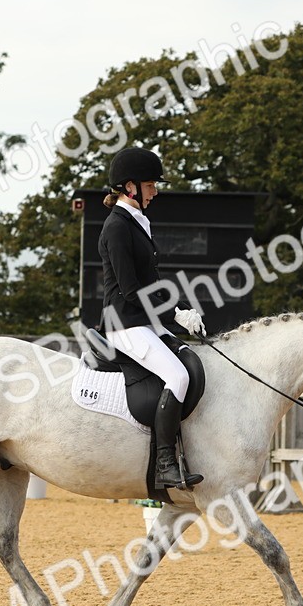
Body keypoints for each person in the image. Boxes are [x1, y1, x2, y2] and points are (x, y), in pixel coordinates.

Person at [97, 146, 205, 490]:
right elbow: (131, 290)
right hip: (124, 323)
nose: (155, 191)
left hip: (143, 320)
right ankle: (164, 463)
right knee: (177, 376)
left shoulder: (136, 221)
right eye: (150, 185)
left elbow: (152, 283)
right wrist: (174, 315)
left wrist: (184, 309)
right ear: (130, 187)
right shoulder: (117, 227)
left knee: (192, 362)